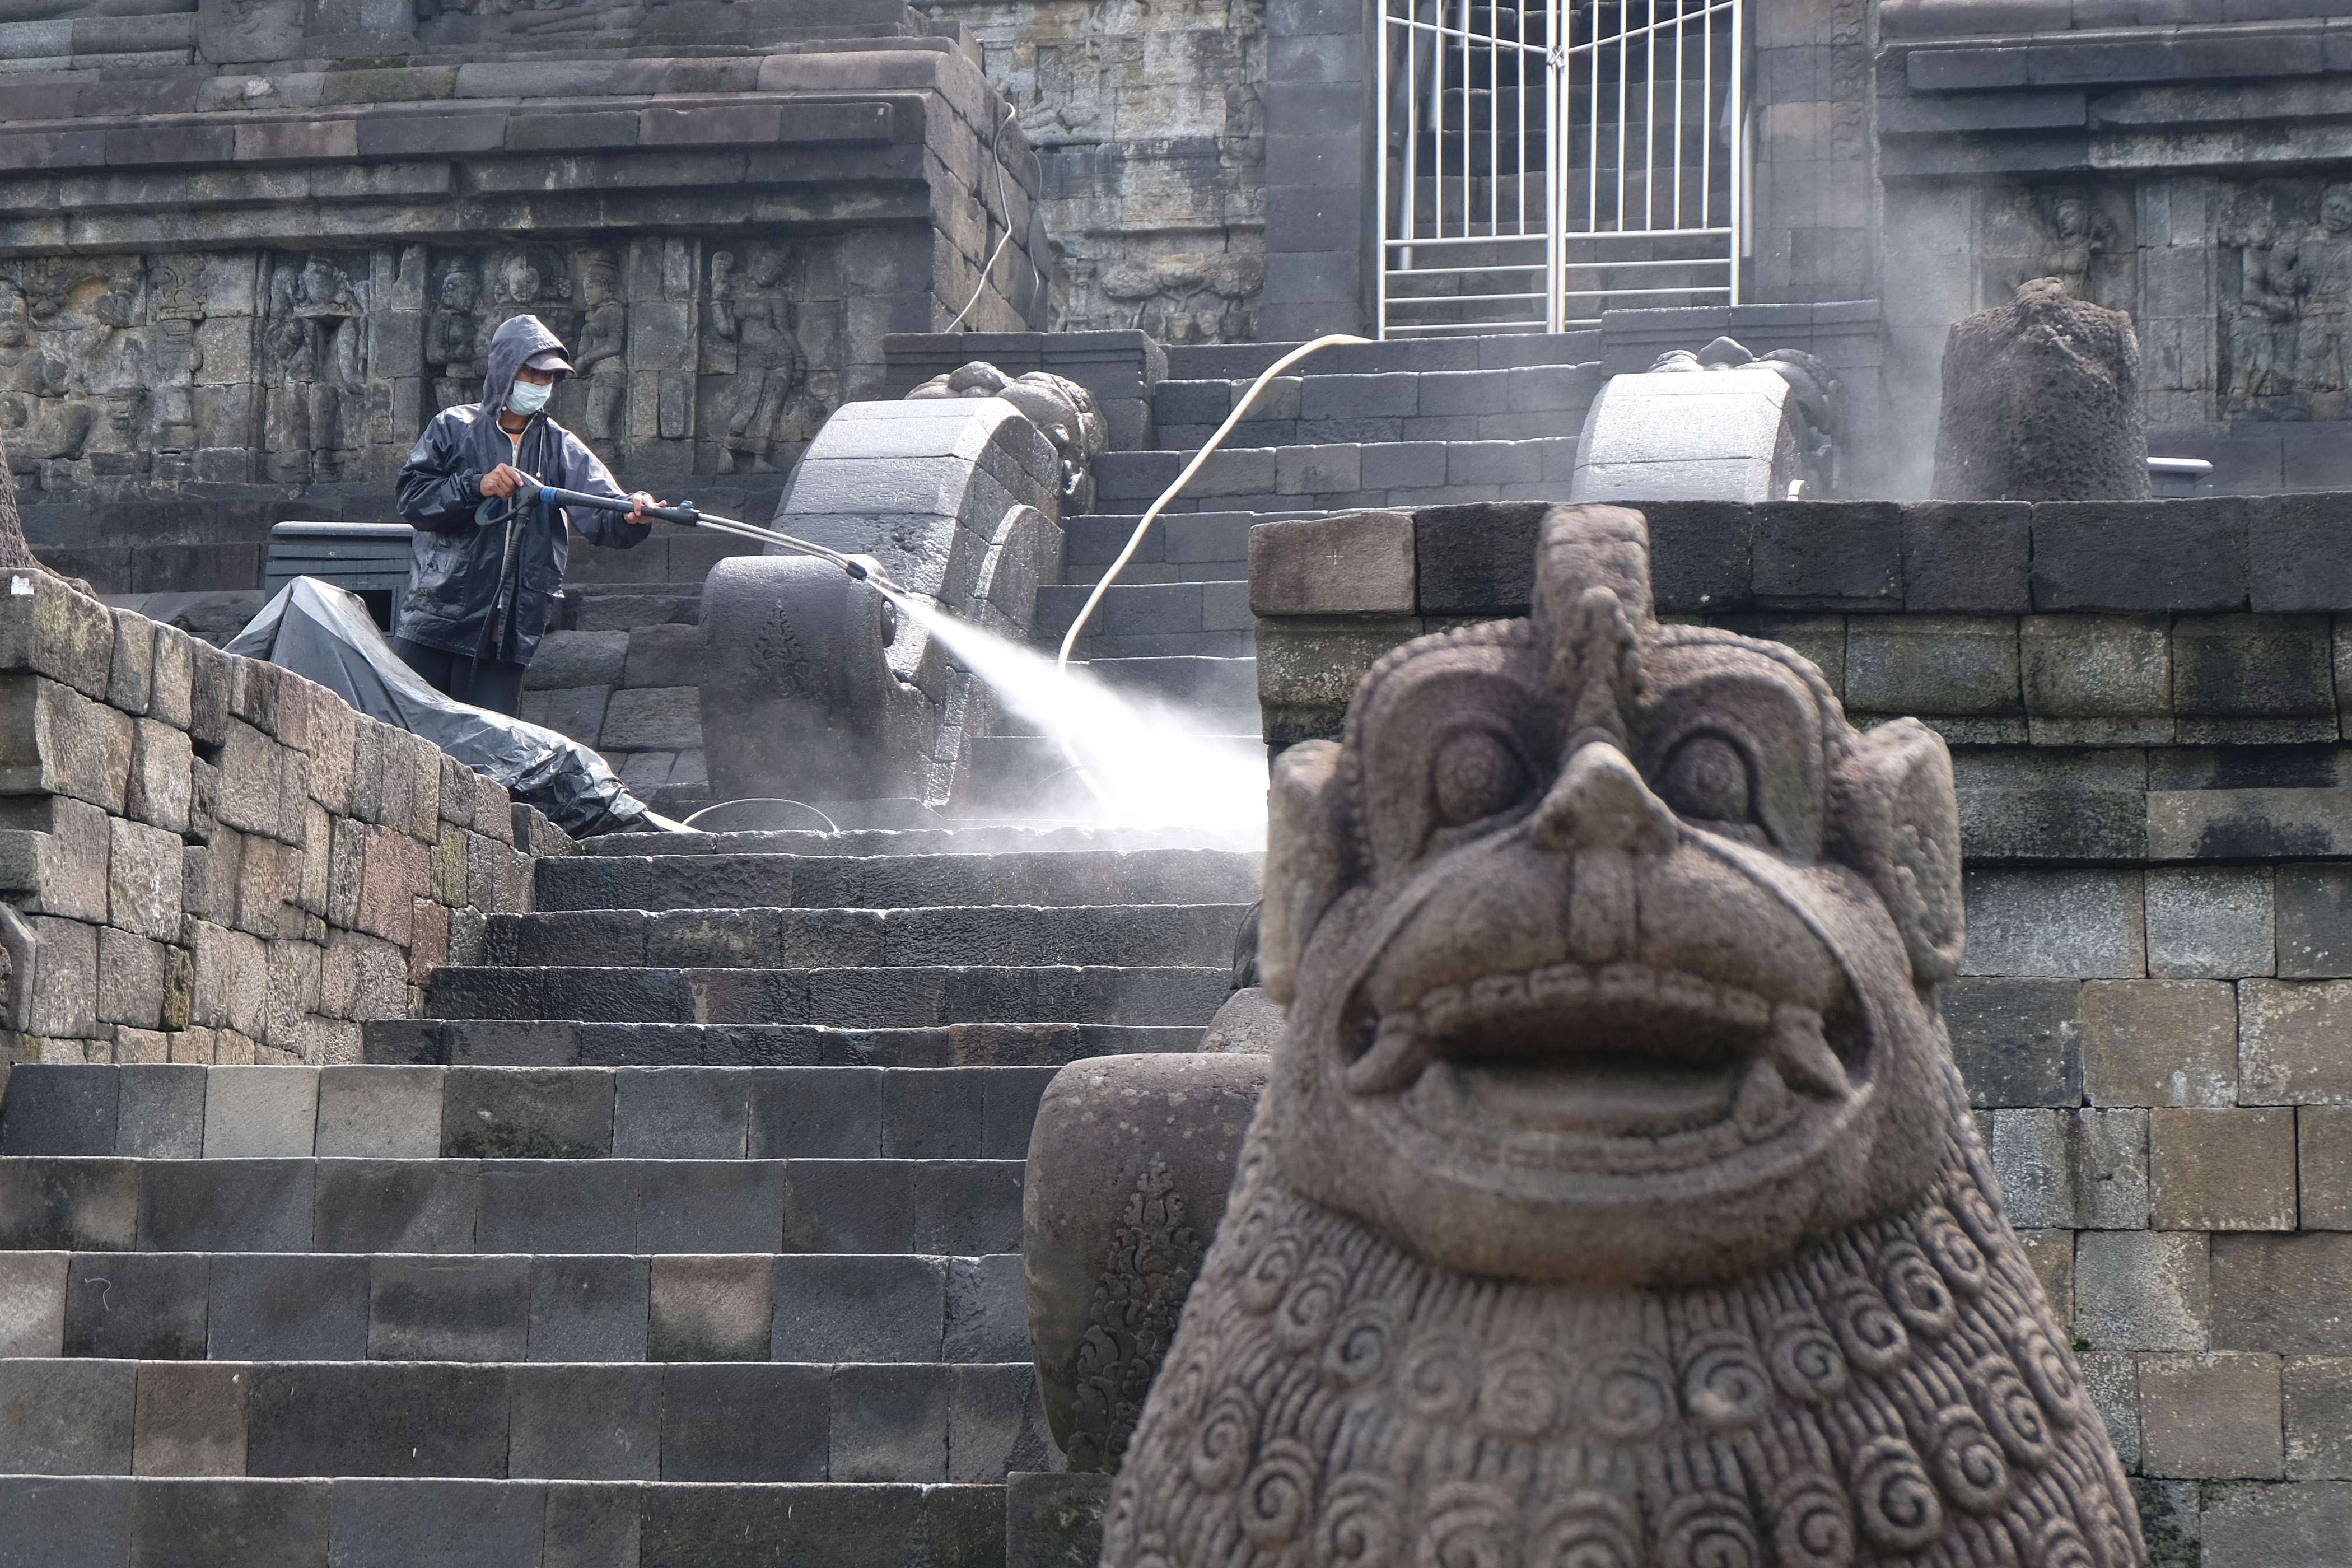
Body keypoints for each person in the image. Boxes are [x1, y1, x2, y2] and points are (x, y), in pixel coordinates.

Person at [392, 314, 662, 715]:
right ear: (505, 369)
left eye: (547, 377)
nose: (539, 384)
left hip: (508, 635)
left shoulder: (560, 446)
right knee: (406, 732)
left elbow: (604, 508)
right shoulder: (452, 427)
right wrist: (474, 486)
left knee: (493, 756)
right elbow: (412, 498)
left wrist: (633, 515)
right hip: (436, 619)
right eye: (530, 373)